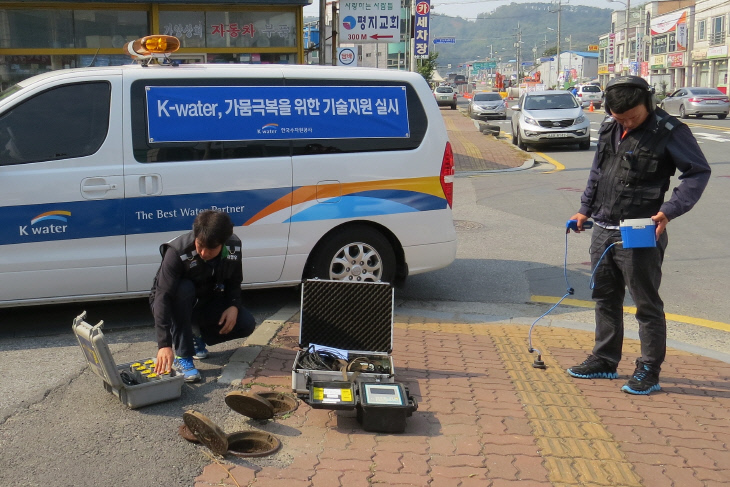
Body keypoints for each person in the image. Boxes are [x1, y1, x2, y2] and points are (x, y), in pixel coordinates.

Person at [566, 76, 711, 395]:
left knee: (645, 303)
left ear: (648, 103)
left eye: (633, 116)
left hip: (642, 228)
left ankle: (649, 369)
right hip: (603, 228)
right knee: (604, 296)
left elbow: (698, 172)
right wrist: (584, 210)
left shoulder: (671, 131)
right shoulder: (608, 127)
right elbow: (598, 171)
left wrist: (670, 210)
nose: (627, 123)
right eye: (621, 118)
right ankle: (604, 359)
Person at [149, 210, 256, 382]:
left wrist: (234, 305)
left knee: (246, 323)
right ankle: (183, 356)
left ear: (223, 243)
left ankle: (195, 336)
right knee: (183, 288)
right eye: (200, 245)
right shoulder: (177, 251)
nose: (204, 253)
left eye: (211, 248)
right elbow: (163, 297)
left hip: (206, 300)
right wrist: (164, 345)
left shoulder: (233, 247)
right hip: (175, 302)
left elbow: (234, 281)